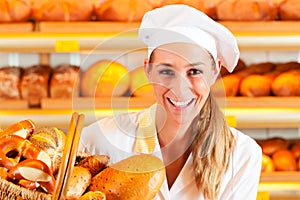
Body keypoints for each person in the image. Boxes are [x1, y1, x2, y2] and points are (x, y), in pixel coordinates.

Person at [78, 4, 262, 200]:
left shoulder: (242, 155)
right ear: (148, 70)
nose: (180, 88)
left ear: (215, 72)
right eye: (166, 71)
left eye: (194, 71)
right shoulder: (99, 140)